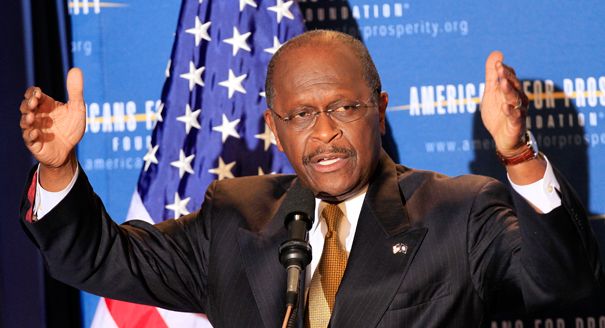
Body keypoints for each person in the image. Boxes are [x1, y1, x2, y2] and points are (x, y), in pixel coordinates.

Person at [19, 30, 602, 327]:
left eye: (344, 108)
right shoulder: (234, 217)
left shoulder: (457, 212)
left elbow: (562, 278)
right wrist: (57, 167)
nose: (324, 133)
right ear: (275, 127)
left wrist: (517, 152)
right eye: (301, 115)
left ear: (380, 108)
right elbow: (94, 260)